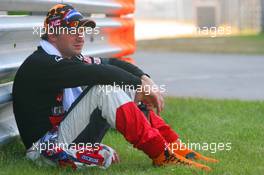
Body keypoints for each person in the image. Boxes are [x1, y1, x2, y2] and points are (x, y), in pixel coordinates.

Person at [12, 4, 218, 171]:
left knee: (120, 88)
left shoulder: (72, 58)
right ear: (53, 34)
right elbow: (102, 74)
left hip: (65, 136)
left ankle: (175, 148)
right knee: (105, 89)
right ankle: (161, 155)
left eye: (82, 29)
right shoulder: (42, 63)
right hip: (45, 148)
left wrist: (144, 79)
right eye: (72, 30)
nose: (80, 35)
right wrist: (140, 85)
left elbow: (113, 64)